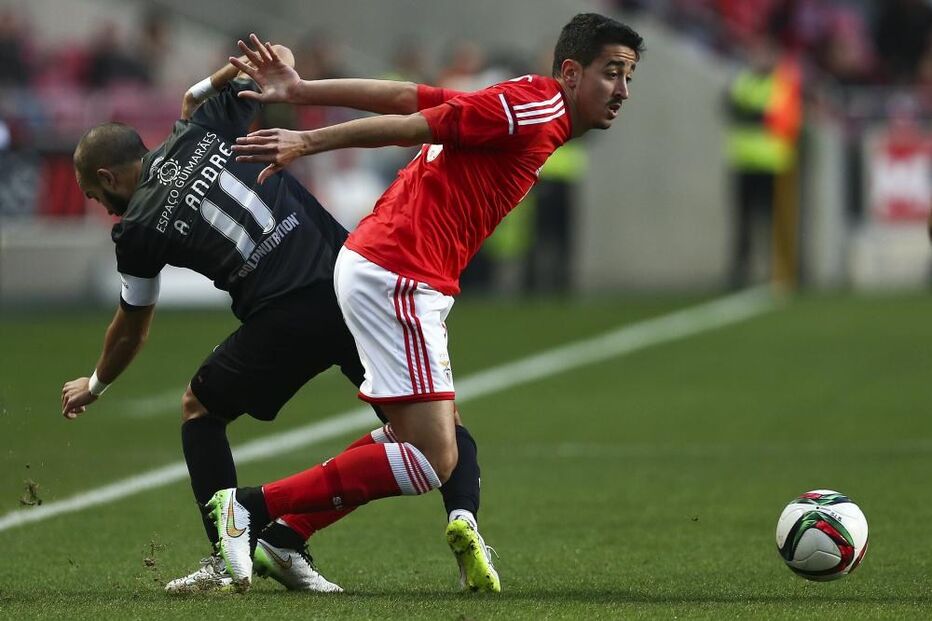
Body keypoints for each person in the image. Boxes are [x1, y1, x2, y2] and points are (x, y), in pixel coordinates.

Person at [207, 13, 643, 592]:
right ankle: (248, 507)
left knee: (424, 437)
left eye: (628, 76)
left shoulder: (530, 104)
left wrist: (304, 90)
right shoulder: (537, 107)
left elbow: (408, 95)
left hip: (397, 268)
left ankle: (286, 537)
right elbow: (414, 122)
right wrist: (309, 139)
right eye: (611, 72)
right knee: (435, 458)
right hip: (400, 270)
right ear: (570, 71)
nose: (622, 90)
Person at [59, 41, 489, 594]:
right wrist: (210, 82)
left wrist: (96, 383)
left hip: (287, 316)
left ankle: (229, 551)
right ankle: (459, 518)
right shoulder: (203, 126)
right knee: (437, 427)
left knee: (200, 408)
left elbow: (131, 327)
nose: (102, 207)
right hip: (350, 284)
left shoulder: (136, 228)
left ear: (108, 176)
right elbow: (273, 57)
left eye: (95, 195)